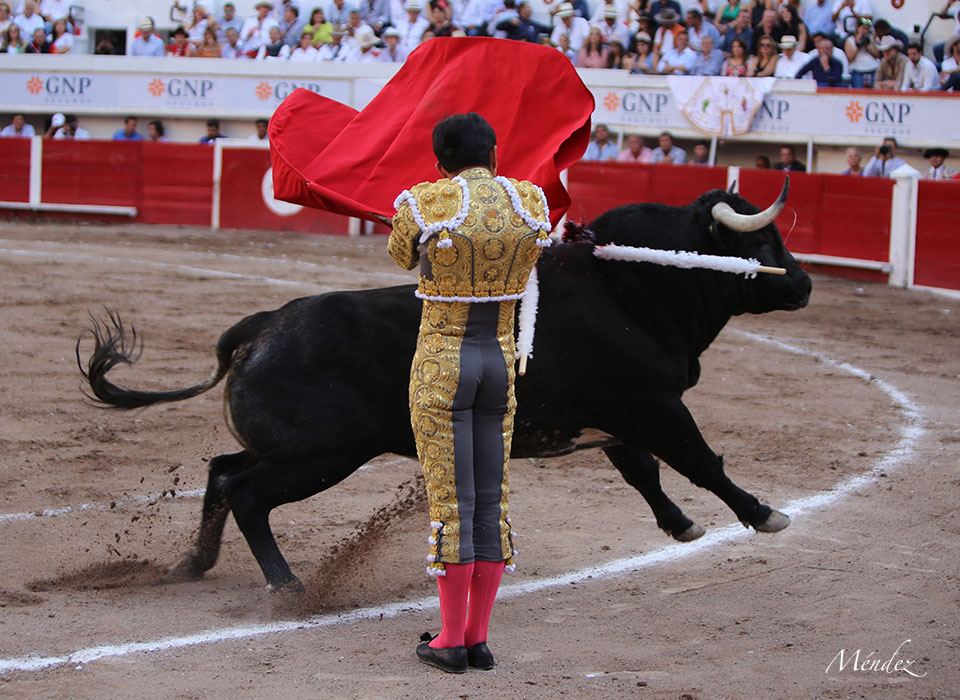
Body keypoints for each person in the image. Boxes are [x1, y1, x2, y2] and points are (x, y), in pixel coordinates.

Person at [388, 113, 548, 674]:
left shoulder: (426, 201)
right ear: (495, 153)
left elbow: (400, 254)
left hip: (443, 365)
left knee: (451, 504)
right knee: (489, 500)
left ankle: (450, 640)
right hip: (499, 363)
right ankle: (478, 638)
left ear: (440, 161)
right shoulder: (529, 200)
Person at [843, 17, 879, 88]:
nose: (865, 31)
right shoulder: (850, 40)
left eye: (867, 29)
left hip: (872, 67)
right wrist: (858, 45)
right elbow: (850, 58)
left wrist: (868, 47)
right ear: (858, 28)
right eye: (863, 28)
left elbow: (877, 55)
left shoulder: (872, 38)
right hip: (857, 68)